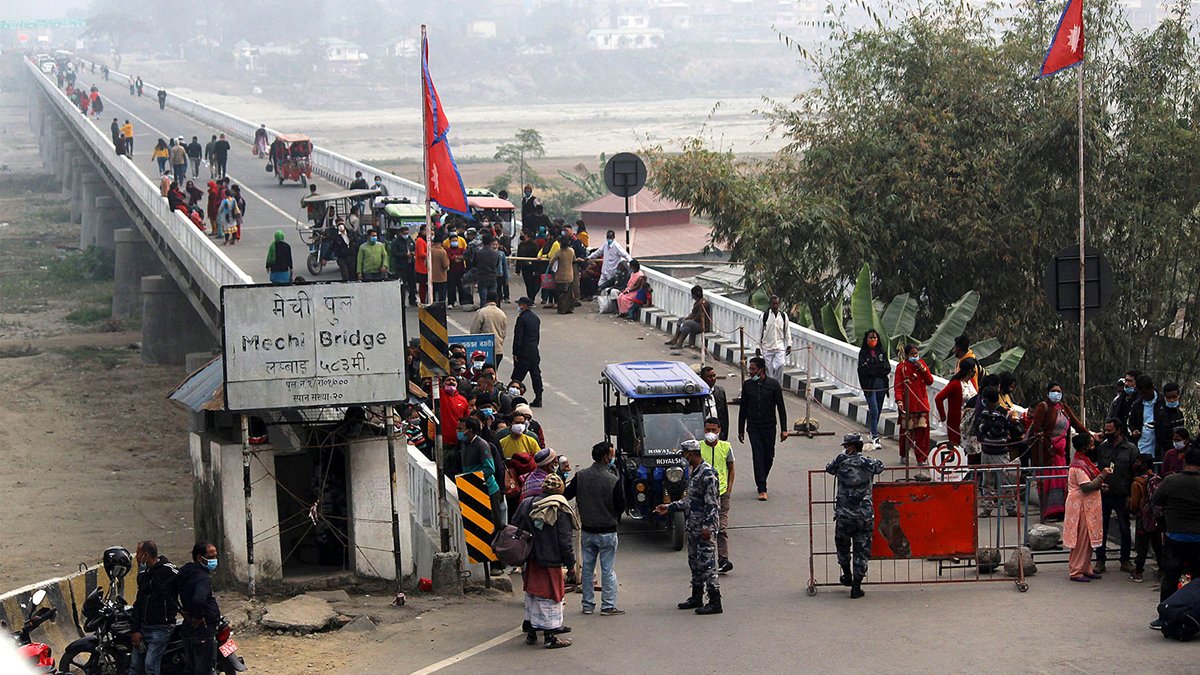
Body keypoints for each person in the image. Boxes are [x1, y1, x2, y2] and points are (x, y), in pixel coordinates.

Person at [655, 440, 722, 615]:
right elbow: (689, 501)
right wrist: (669, 507)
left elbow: (712, 504)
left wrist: (708, 527)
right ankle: (696, 596)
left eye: (684, 454)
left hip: (703, 528)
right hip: (693, 526)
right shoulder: (694, 473)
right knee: (694, 562)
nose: (683, 458)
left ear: (691, 454)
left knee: (707, 564)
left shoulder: (707, 474)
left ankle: (715, 601)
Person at [514, 473, 577, 648]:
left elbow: (515, 525)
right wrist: (570, 565)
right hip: (551, 560)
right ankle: (550, 637)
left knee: (533, 594)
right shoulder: (559, 509)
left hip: (532, 559)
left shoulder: (527, 503)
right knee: (550, 597)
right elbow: (565, 541)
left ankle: (531, 632)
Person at [566, 441, 626, 616]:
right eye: (612, 455)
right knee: (607, 570)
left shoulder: (581, 476)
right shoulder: (613, 479)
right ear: (605, 457)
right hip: (607, 531)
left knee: (587, 569)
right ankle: (608, 605)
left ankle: (587, 604)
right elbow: (620, 506)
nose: (613, 458)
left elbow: (567, 495)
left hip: (587, 531)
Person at [826, 433, 885, 598]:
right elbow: (880, 466)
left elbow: (829, 468)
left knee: (843, 547)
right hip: (864, 516)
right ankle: (856, 587)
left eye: (846, 446)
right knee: (862, 550)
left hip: (844, 515)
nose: (844, 449)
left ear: (850, 447)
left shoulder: (841, 461)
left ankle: (847, 575)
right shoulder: (868, 463)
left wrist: (842, 457)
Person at [1150, 445, 1200, 627]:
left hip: (1175, 536)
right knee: (1197, 579)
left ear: (1184, 461)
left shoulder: (1171, 481)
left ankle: (1165, 616)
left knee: (1170, 577)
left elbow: (1156, 499)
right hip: (1198, 538)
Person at [1026, 381, 1089, 520]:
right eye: (1054, 391)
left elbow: (1077, 424)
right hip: (1046, 454)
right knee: (1047, 482)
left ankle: (1060, 511)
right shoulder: (1043, 408)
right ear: (1048, 393)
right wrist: (1049, 446)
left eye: (1059, 391)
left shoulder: (1064, 408)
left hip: (1061, 454)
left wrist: (1091, 436)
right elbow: (1037, 429)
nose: (1057, 394)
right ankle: (1047, 512)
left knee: (1062, 482)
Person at [738, 356, 788, 501]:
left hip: (769, 426)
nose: (750, 372)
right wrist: (741, 429)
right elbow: (743, 409)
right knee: (758, 455)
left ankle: (762, 477)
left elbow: (781, 408)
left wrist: (784, 429)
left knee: (769, 456)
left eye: (753, 369)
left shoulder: (773, 385)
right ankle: (762, 487)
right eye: (750, 368)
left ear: (761, 370)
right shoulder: (747, 386)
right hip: (753, 427)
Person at [168, 542, 221, 675]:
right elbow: (199, 599)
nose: (214, 560)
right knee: (203, 668)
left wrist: (179, 608)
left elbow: (167, 588)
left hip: (190, 628)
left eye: (215, 556)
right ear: (199, 558)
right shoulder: (202, 578)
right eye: (211, 556)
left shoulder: (185, 572)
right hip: (202, 629)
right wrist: (198, 617)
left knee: (192, 667)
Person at [1095, 416, 1138, 574]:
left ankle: (1125, 560)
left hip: (1122, 495)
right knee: (1101, 528)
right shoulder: (1103, 448)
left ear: (1118, 430)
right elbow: (1098, 468)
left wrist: (1131, 495)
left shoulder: (1131, 449)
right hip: (1105, 494)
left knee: (1124, 528)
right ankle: (1100, 560)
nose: (1106, 433)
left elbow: (1134, 474)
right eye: (1105, 430)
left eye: (1109, 431)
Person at [1064, 434, 1110, 582]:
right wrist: (1102, 477)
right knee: (1081, 540)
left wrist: (1100, 484)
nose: (1093, 447)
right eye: (1091, 445)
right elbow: (1086, 486)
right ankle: (1076, 571)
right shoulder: (1079, 466)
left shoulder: (1084, 462)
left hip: (1087, 506)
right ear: (1084, 447)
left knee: (1088, 539)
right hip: (1081, 507)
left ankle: (1086, 567)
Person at [129, 541, 177, 675]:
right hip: (144, 628)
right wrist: (136, 630)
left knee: (150, 666)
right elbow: (139, 603)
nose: (137, 557)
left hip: (161, 628)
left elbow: (185, 584)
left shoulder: (168, 571)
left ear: (146, 554)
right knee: (135, 667)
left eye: (138, 553)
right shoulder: (143, 576)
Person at [975, 386, 1022, 517]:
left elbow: (997, 430)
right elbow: (980, 427)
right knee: (987, 482)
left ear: (988, 400)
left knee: (1004, 481)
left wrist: (986, 427)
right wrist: (988, 427)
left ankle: (1011, 507)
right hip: (986, 451)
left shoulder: (1002, 413)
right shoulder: (985, 412)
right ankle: (987, 507)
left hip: (1000, 452)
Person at [699, 417, 736, 573]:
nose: (711, 433)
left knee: (721, 528)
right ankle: (704, 558)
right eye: (708, 430)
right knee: (704, 528)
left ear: (719, 430)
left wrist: (728, 488)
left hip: (721, 494)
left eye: (714, 430)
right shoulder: (698, 447)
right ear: (704, 430)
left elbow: (731, 468)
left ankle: (723, 559)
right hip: (703, 495)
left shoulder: (726, 447)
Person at [894, 344, 934, 465]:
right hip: (908, 405)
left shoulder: (921, 364)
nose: (915, 356)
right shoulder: (901, 367)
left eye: (916, 354)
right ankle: (904, 454)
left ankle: (921, 459)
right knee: (906, 433)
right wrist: (899, 401)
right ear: (906, 355)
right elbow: (898, 387)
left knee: (923, 434)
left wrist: (922, 368)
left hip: (921, 404)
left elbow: (930, 381)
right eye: (912, 354)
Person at [1128, 454, 1164, 584]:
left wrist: (1131, 506)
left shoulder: (1137, 483)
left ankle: (1139, 572)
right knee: (1157, 545)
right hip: (1157, 519)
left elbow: (1134, 504)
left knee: (1142, 546)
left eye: (1138, 462)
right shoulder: (1158, 479)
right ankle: (1162, 569)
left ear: (1144, 464)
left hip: (1143, 518)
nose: (1136, 464)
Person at [857, 329, 890, 450]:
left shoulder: (881, 351)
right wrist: (876, 369)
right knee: (874, 410)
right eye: (871, 338)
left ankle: (872, 430)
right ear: (866, 340)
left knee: (879, 408)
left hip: (881, 384)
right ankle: (875, 436)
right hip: (870, 385)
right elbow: (863, 370)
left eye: (875, 338)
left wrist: (872, 368)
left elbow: (886, 368)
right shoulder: (863, 353)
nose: (873, 340)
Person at [935, 357, 978, 447]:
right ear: (970, 371)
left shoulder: (972, 382)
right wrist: (943, 415)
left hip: (971, 423)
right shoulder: (955, 384)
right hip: (957, 423)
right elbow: (938, 398)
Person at [1129, 374, 1171, 460]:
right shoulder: (1137, 405)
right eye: (1141, 393)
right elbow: (1131, 423)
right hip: (1143, 444)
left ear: (1152, 388)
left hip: (1160, 445)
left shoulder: (1163, 401)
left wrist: (1159, 425)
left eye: (1145, 393)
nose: (1144, 395)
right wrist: (1134, 430)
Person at [511, 297, 543, 407]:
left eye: (520, 304)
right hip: (533, 350)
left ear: (524, 305)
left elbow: (518, 337)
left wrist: (515, 352)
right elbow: (537, 336)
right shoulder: (535, 318)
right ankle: (538, 397)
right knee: (535, 375)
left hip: (523, 352)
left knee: (516, 377)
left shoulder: (522, 319)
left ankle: (512, 397)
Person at [759, 296, 792, 382]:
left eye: (777, 304)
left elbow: (787, 330)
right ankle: (769, 386)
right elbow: (759, 332)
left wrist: (789, 344)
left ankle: (778, 386)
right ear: (770, 304)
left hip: (779, 345)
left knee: (780, 365)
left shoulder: (783, 316)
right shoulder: (764, 316)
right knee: (768, 368)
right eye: (773, 303)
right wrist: (757, 346)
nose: (775, 306)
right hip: (767, 346)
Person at [471, 292, 508, 368]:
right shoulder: (502, 314)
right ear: (497, 301)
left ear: (486, 300)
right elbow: (503, 333)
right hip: (498, 350)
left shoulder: (481, 312)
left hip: (484, 350)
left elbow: (474, 332)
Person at [389, 224, 417, 303]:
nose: (406, 235)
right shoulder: (396, 242)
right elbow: (394, 253)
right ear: (401, 233)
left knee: (412, 283)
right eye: (405, 233)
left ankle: (412, 299)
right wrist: (404, 254)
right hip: (401, 266)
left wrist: (413, 253)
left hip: (410, 265)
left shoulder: (410, 240)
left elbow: (414, 247)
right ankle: (402, 301)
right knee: (402, 284)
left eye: (407, 233)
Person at [700, 366, 729, 441]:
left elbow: (724, 415)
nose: (713, 379)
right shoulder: (698, 393)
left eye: (714, 376)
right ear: (702, 378)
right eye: (709, 376)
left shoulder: (720, 391)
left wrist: (724, 434)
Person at [473, 234, 502, 310]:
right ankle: (494, 310)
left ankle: (484, 312)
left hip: (482, 276)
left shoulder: (478, 253)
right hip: (492, 276)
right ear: (490, 243)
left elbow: (474, 264)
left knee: (483, 297)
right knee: (493, 296)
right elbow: (497, 264)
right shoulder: (495, 253)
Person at [553, 234, 577, 314]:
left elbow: (551, 262)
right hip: (569, 275)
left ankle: (561, 309)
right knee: (568, 293)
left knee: (561, 293)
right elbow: (574, 259)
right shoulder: (571, 251)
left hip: (560, 275)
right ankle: (568, 308)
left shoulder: (558, 253)